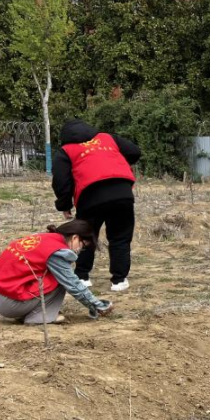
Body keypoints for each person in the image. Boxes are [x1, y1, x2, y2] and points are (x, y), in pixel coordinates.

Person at [52, 119, 141, 293]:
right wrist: (116, 162)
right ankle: (119, 280)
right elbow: (134, 151)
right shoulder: (108, 138)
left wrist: (64, 205)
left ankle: (82, 276)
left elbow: (61, 181)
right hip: (122, 192)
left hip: (89, 196)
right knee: (120, 237)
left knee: (86, 236)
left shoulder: (66, 151)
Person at [0, 220, 113, 325]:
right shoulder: (57, 252)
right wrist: (97, 305)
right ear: (75, 238)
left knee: (55, 275)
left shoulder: (43, 238)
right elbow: (72, 284)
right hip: (9, 304)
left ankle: (28, 312)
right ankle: (39, 317)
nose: (80, 250)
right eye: (83, 245)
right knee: (61, 278)